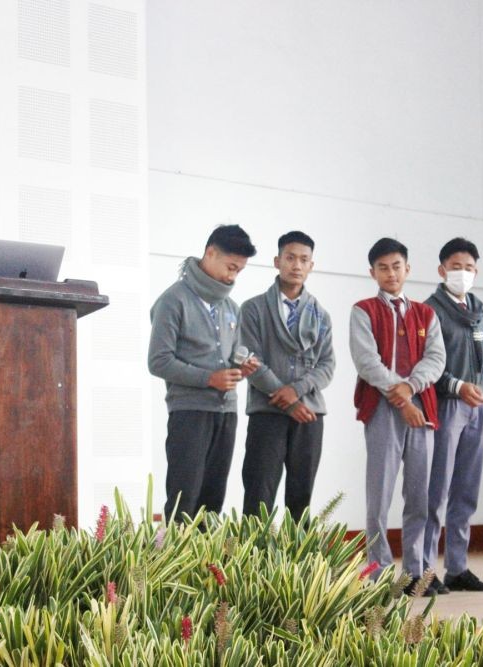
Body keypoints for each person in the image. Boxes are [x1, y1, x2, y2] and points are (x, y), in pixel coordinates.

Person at [350, 237, 445, 595]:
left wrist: (412, 388)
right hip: (383, 411)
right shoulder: (363, 310)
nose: (391, 273)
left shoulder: (426, 314)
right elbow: (367, 361)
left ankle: (416, 572)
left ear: (408, 268)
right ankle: (378, 574)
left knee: (420, 497)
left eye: (397, 266)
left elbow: (436, 359)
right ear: (372, 272)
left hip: (423, 411)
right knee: (379, 498)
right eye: (383, 267)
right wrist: (400, 396)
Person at [148, 224, 259, 521]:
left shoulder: (231, 307)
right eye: (231, 266)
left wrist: (241, 369)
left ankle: (204, 567)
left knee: (212, 501)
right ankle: (175, 565)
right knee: (184, 499)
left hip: (226, 412)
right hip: (190, 412)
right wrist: (209, 378)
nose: (233, 276)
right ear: (210, 253)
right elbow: (158, 361)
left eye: (240, 270)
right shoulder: (173, 300)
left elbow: (232, 359)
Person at [240, 231, 335, 521]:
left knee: (301, 496)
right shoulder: (253, 309)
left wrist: (298, 391)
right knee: (259, 493)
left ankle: (297, 564)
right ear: (277, 261)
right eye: (290, 257)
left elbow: (327, 364)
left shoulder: (321, 314)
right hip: (266, 412)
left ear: (311, 265)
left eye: (304, 259)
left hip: (309, 414)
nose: (296, 265)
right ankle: (253, 561)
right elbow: (249, 361)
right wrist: (287, 400)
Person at [422, 238, 483, 593]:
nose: (462, 274)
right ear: (441, 270)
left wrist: (482, 389)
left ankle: (457, 567)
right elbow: (427, 365)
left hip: (479, 405)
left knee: (466, 490)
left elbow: (482, 360)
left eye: (468, 268)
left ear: (476, 272)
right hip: (447, 404)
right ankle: (424, 569)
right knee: (436, 490)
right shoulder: (429, 311)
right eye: (455, 267)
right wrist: (456, 387)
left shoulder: (478, 309)